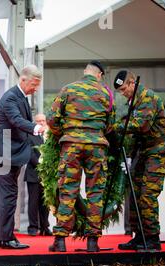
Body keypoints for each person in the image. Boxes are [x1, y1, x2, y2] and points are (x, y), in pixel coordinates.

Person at [47, 61, 114, 252]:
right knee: (95, 193)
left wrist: (65, 134)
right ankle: (93, 242)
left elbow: (52, 119)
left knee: (68, 190)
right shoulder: (106, 93)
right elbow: (111, 124)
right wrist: (96, 133)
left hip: (71, 147)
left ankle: (60, 241)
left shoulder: (68, 89)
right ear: (99, 75)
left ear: (85, 72)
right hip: (96, 147)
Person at [114, 70, 165, 251]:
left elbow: (141, 125)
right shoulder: (135, 100)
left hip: (158, 151)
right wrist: (131, 155)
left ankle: (152, 239)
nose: (123, 93)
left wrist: (115, 126)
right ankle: (139, 236)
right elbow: (136, 135)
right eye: (120, 91)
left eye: (124, 89)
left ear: (132, 83)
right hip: (145, 151)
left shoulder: (147, 97)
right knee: (134, 193)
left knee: (147, 194)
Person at [0, 65, 45, 250]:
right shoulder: (11, 97)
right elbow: (17, 120)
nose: (36, 88)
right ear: (23, 80)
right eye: (34, 84)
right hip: (4, 154)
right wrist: (37, 128)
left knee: (3, 196)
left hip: (12, 154)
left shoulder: (21, 97)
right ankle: (7, 238)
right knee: (9, 196)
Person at [25, 113, 51, 236]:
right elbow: (30, 155)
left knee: (46, 202)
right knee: (33, 202)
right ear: (34, 123)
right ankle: (33, 227)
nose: (41, 123)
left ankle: (45, 227)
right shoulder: (30, 136)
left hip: (47, 176)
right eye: (38, 121)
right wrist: (41, 165)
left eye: (43, 120)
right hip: (33, 174)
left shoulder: (49, 137)